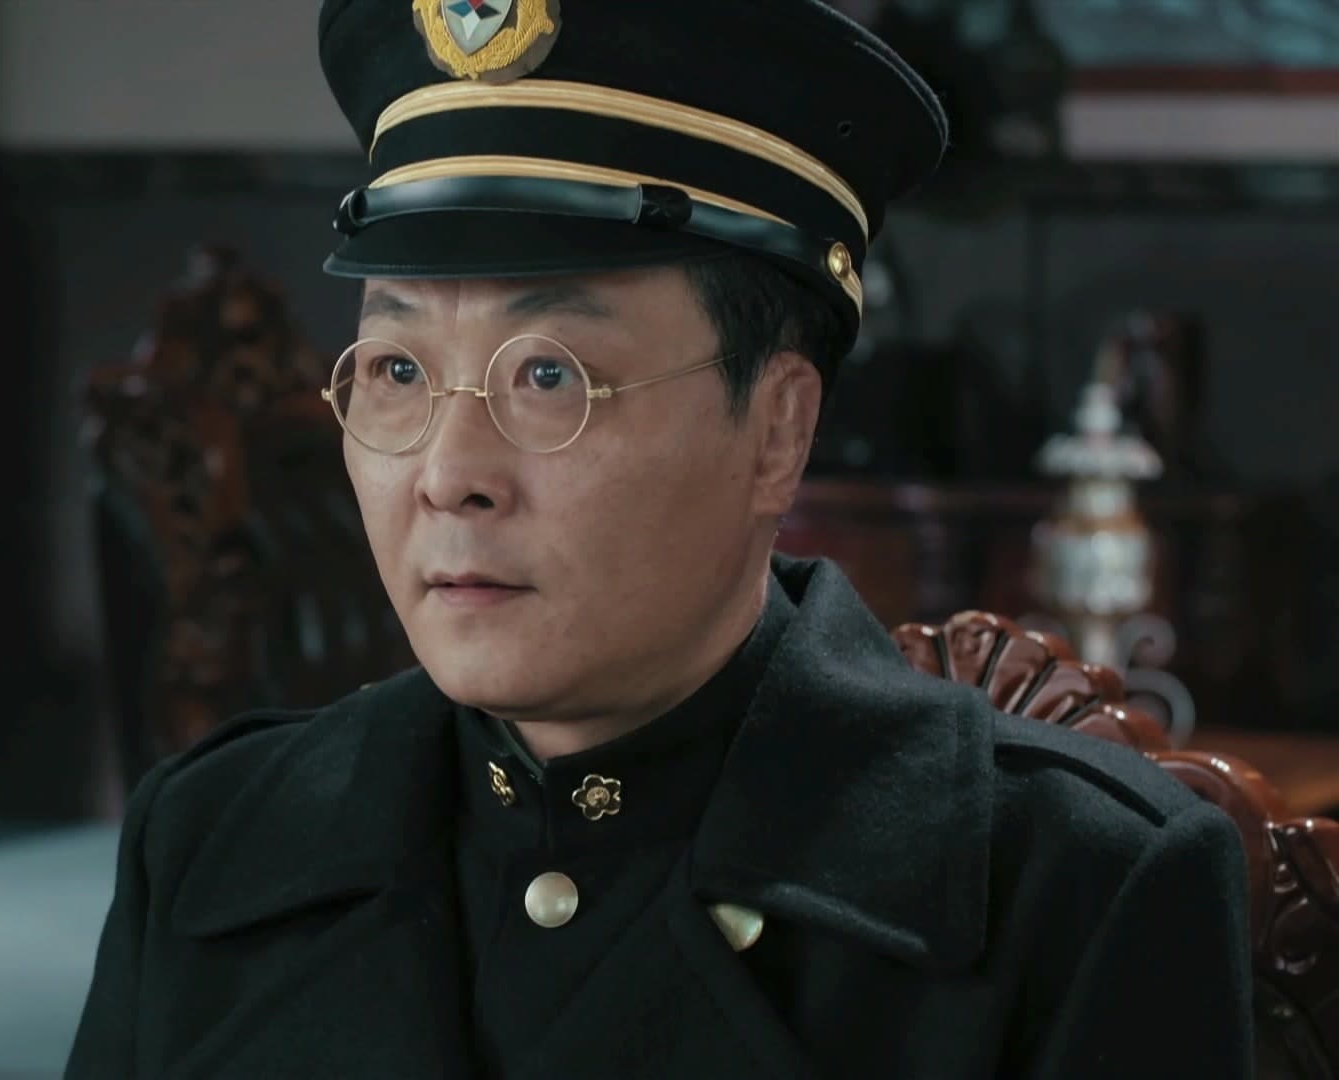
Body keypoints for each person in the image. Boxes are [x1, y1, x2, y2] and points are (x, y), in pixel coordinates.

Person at [65, 1, 1255, 1076]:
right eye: (397, 370)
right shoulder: (213, 840)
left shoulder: (1067, 889)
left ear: (777, 431)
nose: (448, 476)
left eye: (549, 374)